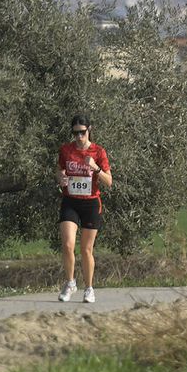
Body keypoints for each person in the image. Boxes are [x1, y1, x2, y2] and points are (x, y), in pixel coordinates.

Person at [57, 115, 112, 303]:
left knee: (86, 249)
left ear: (89, 130)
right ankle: (70, 282)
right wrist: (61, 178)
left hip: (91, 203)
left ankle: (89, 288)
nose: (79, 136)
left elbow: (109, 181)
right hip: (70, 201)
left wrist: (95, 168)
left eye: (82, 132)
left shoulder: (99, 151)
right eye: (75, 133)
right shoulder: (66, 150)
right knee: (67, 244)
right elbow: (60, 170)